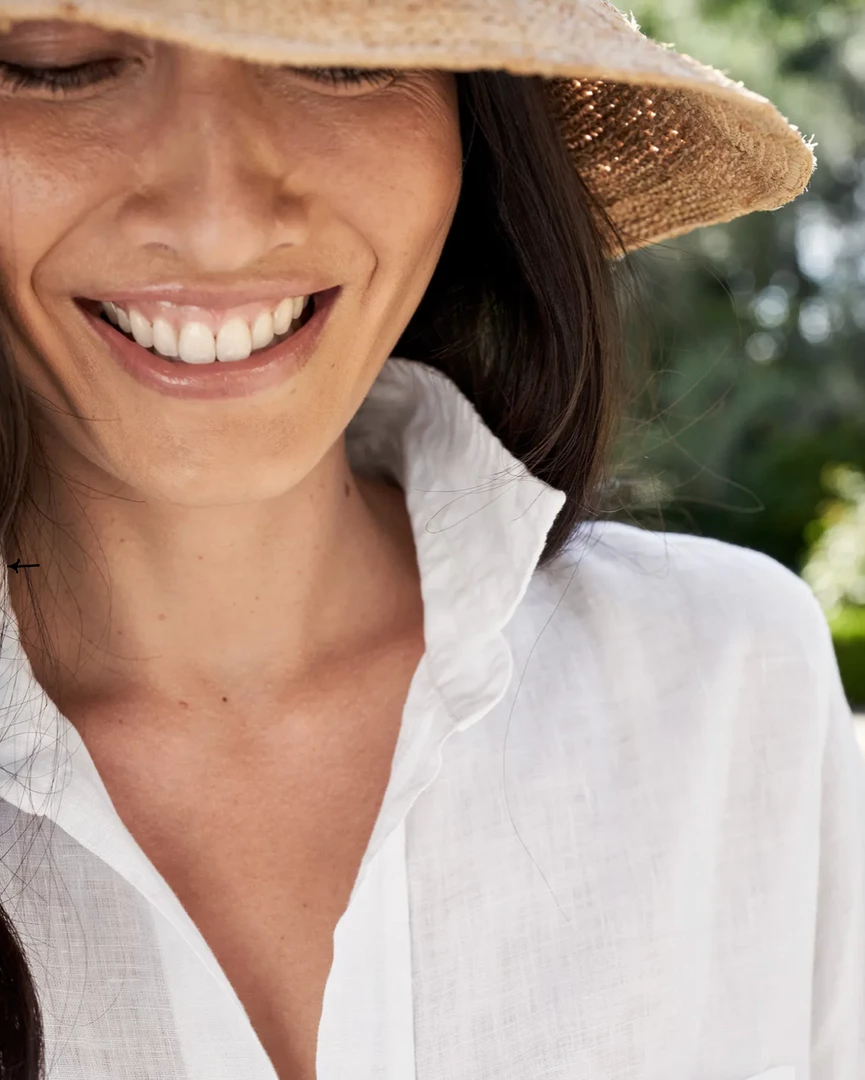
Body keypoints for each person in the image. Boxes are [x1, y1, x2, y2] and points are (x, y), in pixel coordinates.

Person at [0, 2, 860, 1079]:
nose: (220, 222)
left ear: (471, 119)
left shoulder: (729, 686)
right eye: (55, 66)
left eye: (344, 59)